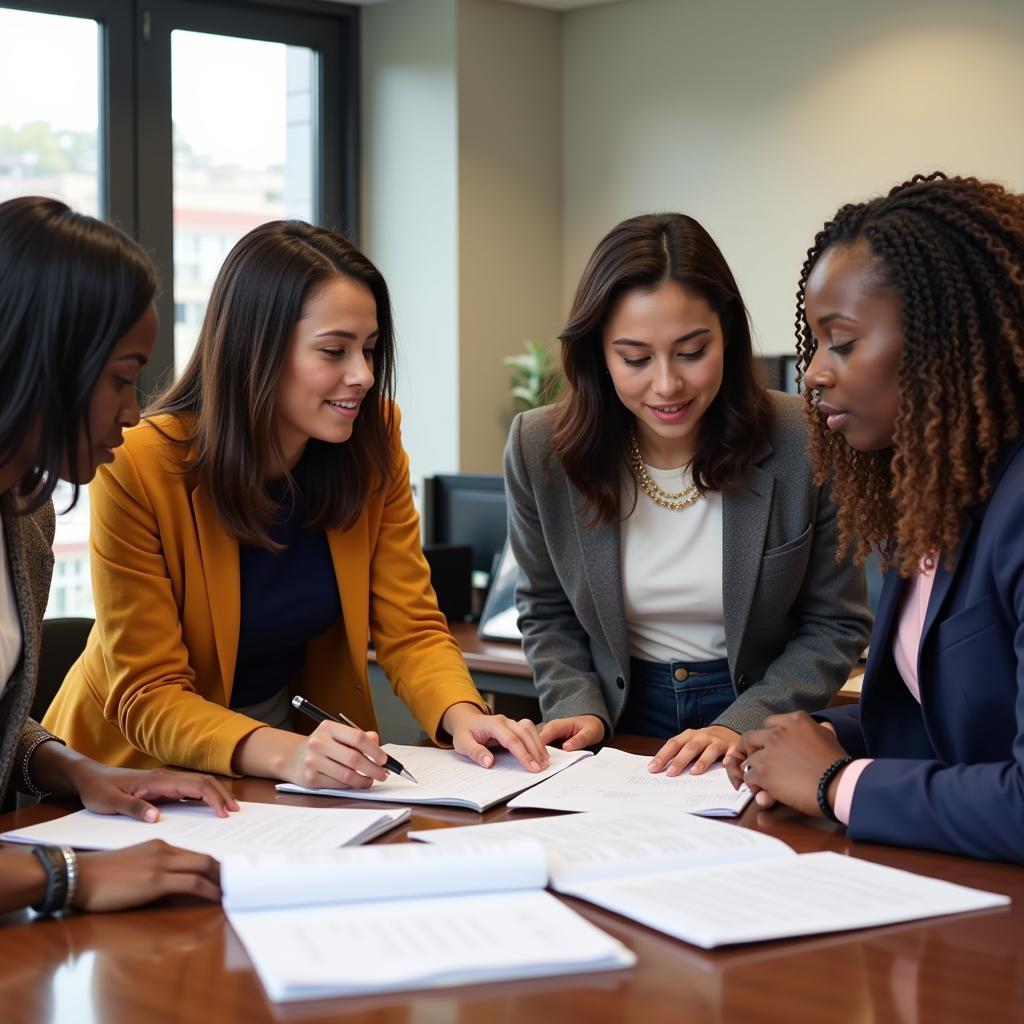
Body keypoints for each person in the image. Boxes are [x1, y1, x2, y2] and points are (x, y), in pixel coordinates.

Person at [44, 220, 547, 787]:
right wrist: (286, 754)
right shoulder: (138, 464)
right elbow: (150, 693)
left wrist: (463, 715)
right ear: (254, 349)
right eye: (334, 351)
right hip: (132, 774)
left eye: (371, 349)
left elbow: (411, 627)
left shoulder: (373, 436)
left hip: (291, 764)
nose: (363, 376)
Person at [504, 212, 870, 775]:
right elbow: (547, 612)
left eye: (692, 352)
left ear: (728, 335)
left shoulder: (806, 439)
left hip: (762, 713)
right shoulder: (541, 448)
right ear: (598, 353)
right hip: (616, 717)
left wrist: (740, 723)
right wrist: (579, 706)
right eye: (635, 359)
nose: (667, 385)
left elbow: (836, 624)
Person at [727, 173, 1024, 863]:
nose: (813, 374)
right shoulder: (932, 495)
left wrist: (835, 782)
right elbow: (947, 724)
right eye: (815, 343)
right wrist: (815, 740)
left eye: (843, 342)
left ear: (941, 337)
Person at [0, 195, 238, 916]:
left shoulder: (23, 509)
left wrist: (78, 770)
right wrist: (66, 874)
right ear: (46, 360)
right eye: (120, 378)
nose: (134, 412)